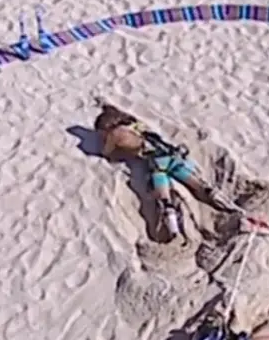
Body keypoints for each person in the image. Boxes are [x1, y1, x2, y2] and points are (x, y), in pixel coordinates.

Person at [93, 102, 232, 242]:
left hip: (157, 162)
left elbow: (106, 152)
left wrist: (106, 142)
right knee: (199, 184)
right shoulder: (133, 123)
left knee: (164, 198)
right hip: (171, 154)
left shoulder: (115, 134)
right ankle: (227, 205)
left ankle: (174, 232)